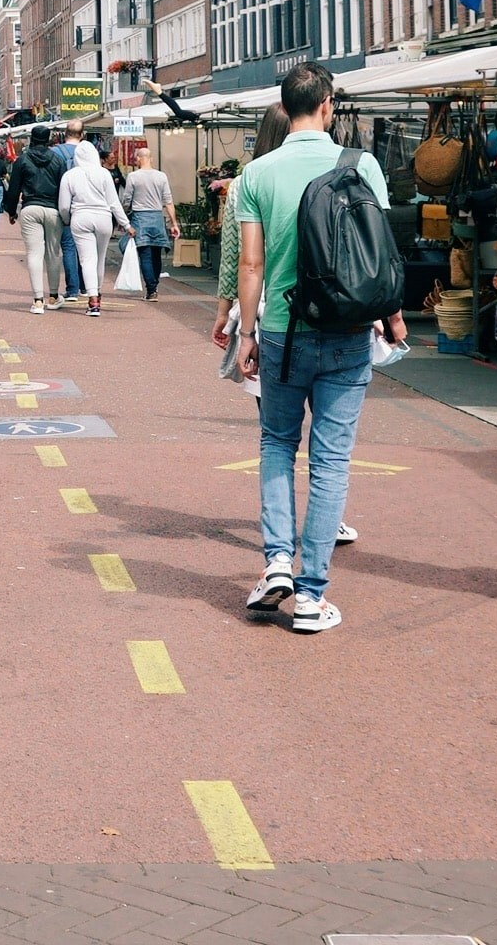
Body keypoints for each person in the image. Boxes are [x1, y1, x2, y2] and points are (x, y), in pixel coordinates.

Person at [222, 63, 406, 634]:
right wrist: (392, 317)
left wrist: (246, 333)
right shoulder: (362, 165)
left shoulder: (256, 172)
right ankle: (311, 595)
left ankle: (277, 559)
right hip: (349, 331)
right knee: (330, 461)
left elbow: (249, 263)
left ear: (285, 105)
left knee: (277, 442)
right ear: (328, 105)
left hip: (280, 330)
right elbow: (377, 252)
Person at [60, 139, 133, 319]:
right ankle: (97, 293)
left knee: (87, 260)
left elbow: (63, 206)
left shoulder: (70, 175)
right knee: (100, 259)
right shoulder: (104, 174)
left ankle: (93, 300)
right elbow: (114, 203)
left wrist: (67, 219)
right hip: (103, 218)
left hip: (81, 217)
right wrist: (126, 224)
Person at [6, 127, 69, 313]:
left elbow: (13, 187)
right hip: (53, 209)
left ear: (32, 139)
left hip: (30, 207)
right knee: (53, 253)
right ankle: (54, 296)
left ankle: (37, 300)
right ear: (48, 139)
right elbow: (64, 188)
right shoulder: (58, 160)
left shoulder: (22, 160)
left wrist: (11, 211)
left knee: (34, 254)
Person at [123, 154, 177, 301]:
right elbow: (168, 201)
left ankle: (151, 290)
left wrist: (124, 217)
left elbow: (127, 199)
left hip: (140, 218)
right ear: (151, 159)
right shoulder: (161, 176)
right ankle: (155, 286)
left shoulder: (133, 177)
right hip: (157, 217)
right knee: (156, 254)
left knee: (145, 256)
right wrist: (174, 223)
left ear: (139, 159)